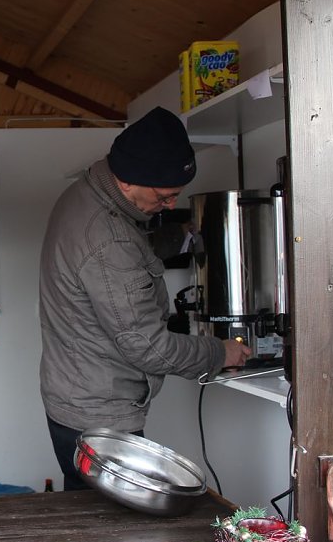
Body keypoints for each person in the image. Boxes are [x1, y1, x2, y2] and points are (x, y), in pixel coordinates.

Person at [38, 106, 250, 491]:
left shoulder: (87, 196)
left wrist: (173, 238)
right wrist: (220, 352)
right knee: (113, 534)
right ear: (129, 180)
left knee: (88, 520)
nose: (170, 205)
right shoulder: (107, 238)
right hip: (99, 417)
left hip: (75, 400)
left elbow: (118, 262)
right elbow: (150, 348)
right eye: (166, 196)